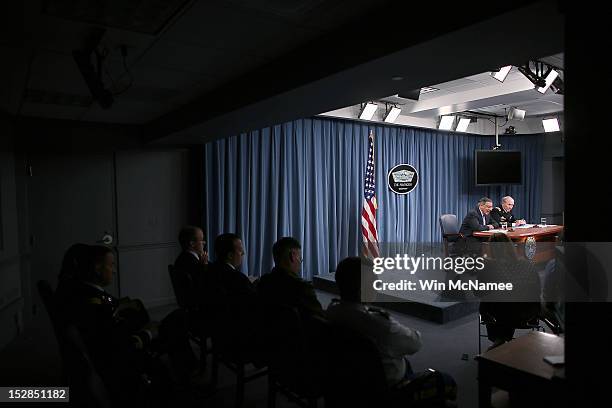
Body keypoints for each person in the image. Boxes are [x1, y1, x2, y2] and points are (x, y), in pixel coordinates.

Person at [55, 244, 196, 404]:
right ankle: (185, 381)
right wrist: (147, 334)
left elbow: (105, 298)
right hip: (127, 356)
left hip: (124, 341)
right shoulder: (93, 304)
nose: (114, 270)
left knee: (140, 307)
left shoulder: (86, 289)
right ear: (97, 268)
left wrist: (117, 304)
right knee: (178, 321)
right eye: (111, 265)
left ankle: (185, 374)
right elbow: (121, 346)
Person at [327, 257, 421, 386]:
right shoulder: (381, 325)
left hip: (345, 381)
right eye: (373, 281)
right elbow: (415, 344)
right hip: (386, 389)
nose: (378, 284)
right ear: (361, 289)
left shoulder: (331, 310)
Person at [476, 233, 542, 349]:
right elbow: (537, 290)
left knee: (494, 302)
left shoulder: (488, 267)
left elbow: (478, 293)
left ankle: (499, 340)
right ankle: (502, 340)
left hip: (499, 315)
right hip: (528, 314)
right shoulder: (527, 264)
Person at [257, 237, 324, 319]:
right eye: (300, 259)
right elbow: (319, 321)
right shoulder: (303, 288)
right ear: (292, 256)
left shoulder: (263, 282)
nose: (300, 263)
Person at [173, 226, 209, 310]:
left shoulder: (183, 257)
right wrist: (205, 265)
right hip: (198, 303)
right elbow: (203, 283)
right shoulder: (192, 262)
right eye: (201, 240)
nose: (204, 242)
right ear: (192, 243)